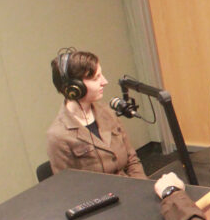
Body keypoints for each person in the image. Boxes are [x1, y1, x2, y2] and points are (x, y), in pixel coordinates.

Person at [47, 48, 146, 178]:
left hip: (131, 187)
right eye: (96, 78)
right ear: (75, 88)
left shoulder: (107, 111)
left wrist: (141, 187)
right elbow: (70, 188)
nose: (104, 82)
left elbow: (132, 160)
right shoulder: (58, 136)